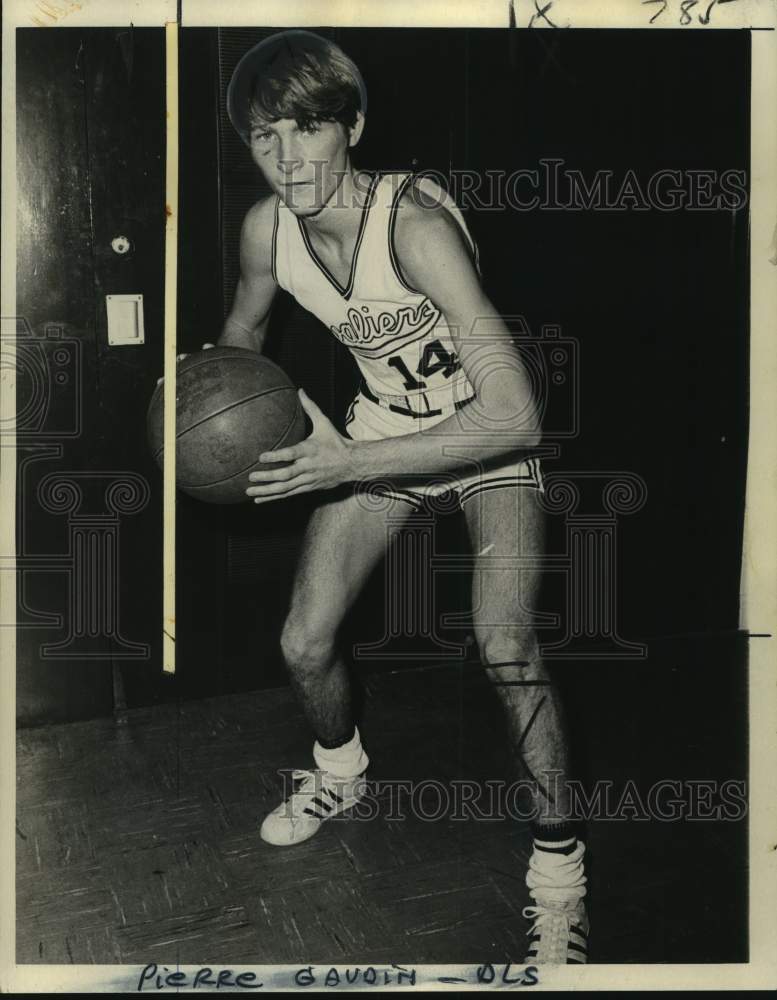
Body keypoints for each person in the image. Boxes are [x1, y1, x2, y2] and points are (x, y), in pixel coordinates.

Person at [210, 30, 587, 964]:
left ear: (353, 127)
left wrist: (342, 467)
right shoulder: (267, 229)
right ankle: (341, 771)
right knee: (303, 639)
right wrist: (209, 403)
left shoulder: (414, 226)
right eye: (266, 137)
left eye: (308, 130)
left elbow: (518, 418)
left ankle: (559, 867)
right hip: (381, 427)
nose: (289, 159)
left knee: (503, 642)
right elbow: (243, 340)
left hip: (477, 431)